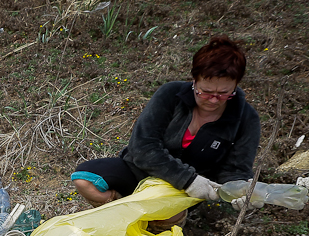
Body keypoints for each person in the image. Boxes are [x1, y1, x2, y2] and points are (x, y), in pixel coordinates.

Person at [71, 35, 261, 221]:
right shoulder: (171, 94)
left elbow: (236, 169)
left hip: (183, 192)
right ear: (194, 80)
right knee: (85, 180)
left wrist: (240, 189)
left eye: (223, 94)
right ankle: (124, 216)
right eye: (206, 92)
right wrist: (187, 178)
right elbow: (142, 147)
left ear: (236, 86)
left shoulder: (246, 118)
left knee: (167, 214)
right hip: (141, 172)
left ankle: (154, 226)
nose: (213, 100)